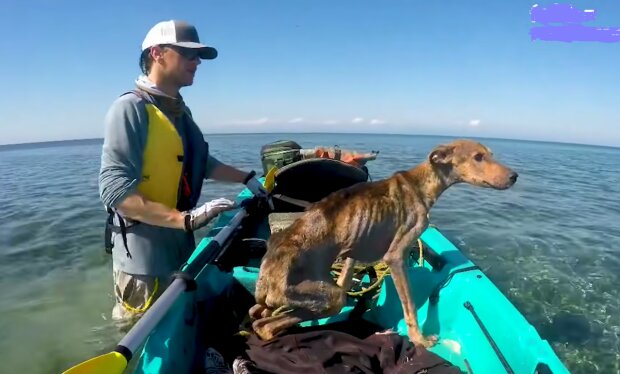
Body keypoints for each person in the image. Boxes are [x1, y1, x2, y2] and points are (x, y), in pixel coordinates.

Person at [98, 19, 269, 323]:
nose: (197, 62)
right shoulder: (130, 109)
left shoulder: (179, 111)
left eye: (199, 56)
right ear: (157, 53)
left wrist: (246, 178)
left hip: (180, 244)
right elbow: (114, 190)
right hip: (143, 260)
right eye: (188, 54)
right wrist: (185, 218)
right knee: (136, 330)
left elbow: (200, 163)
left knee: (178, 320)